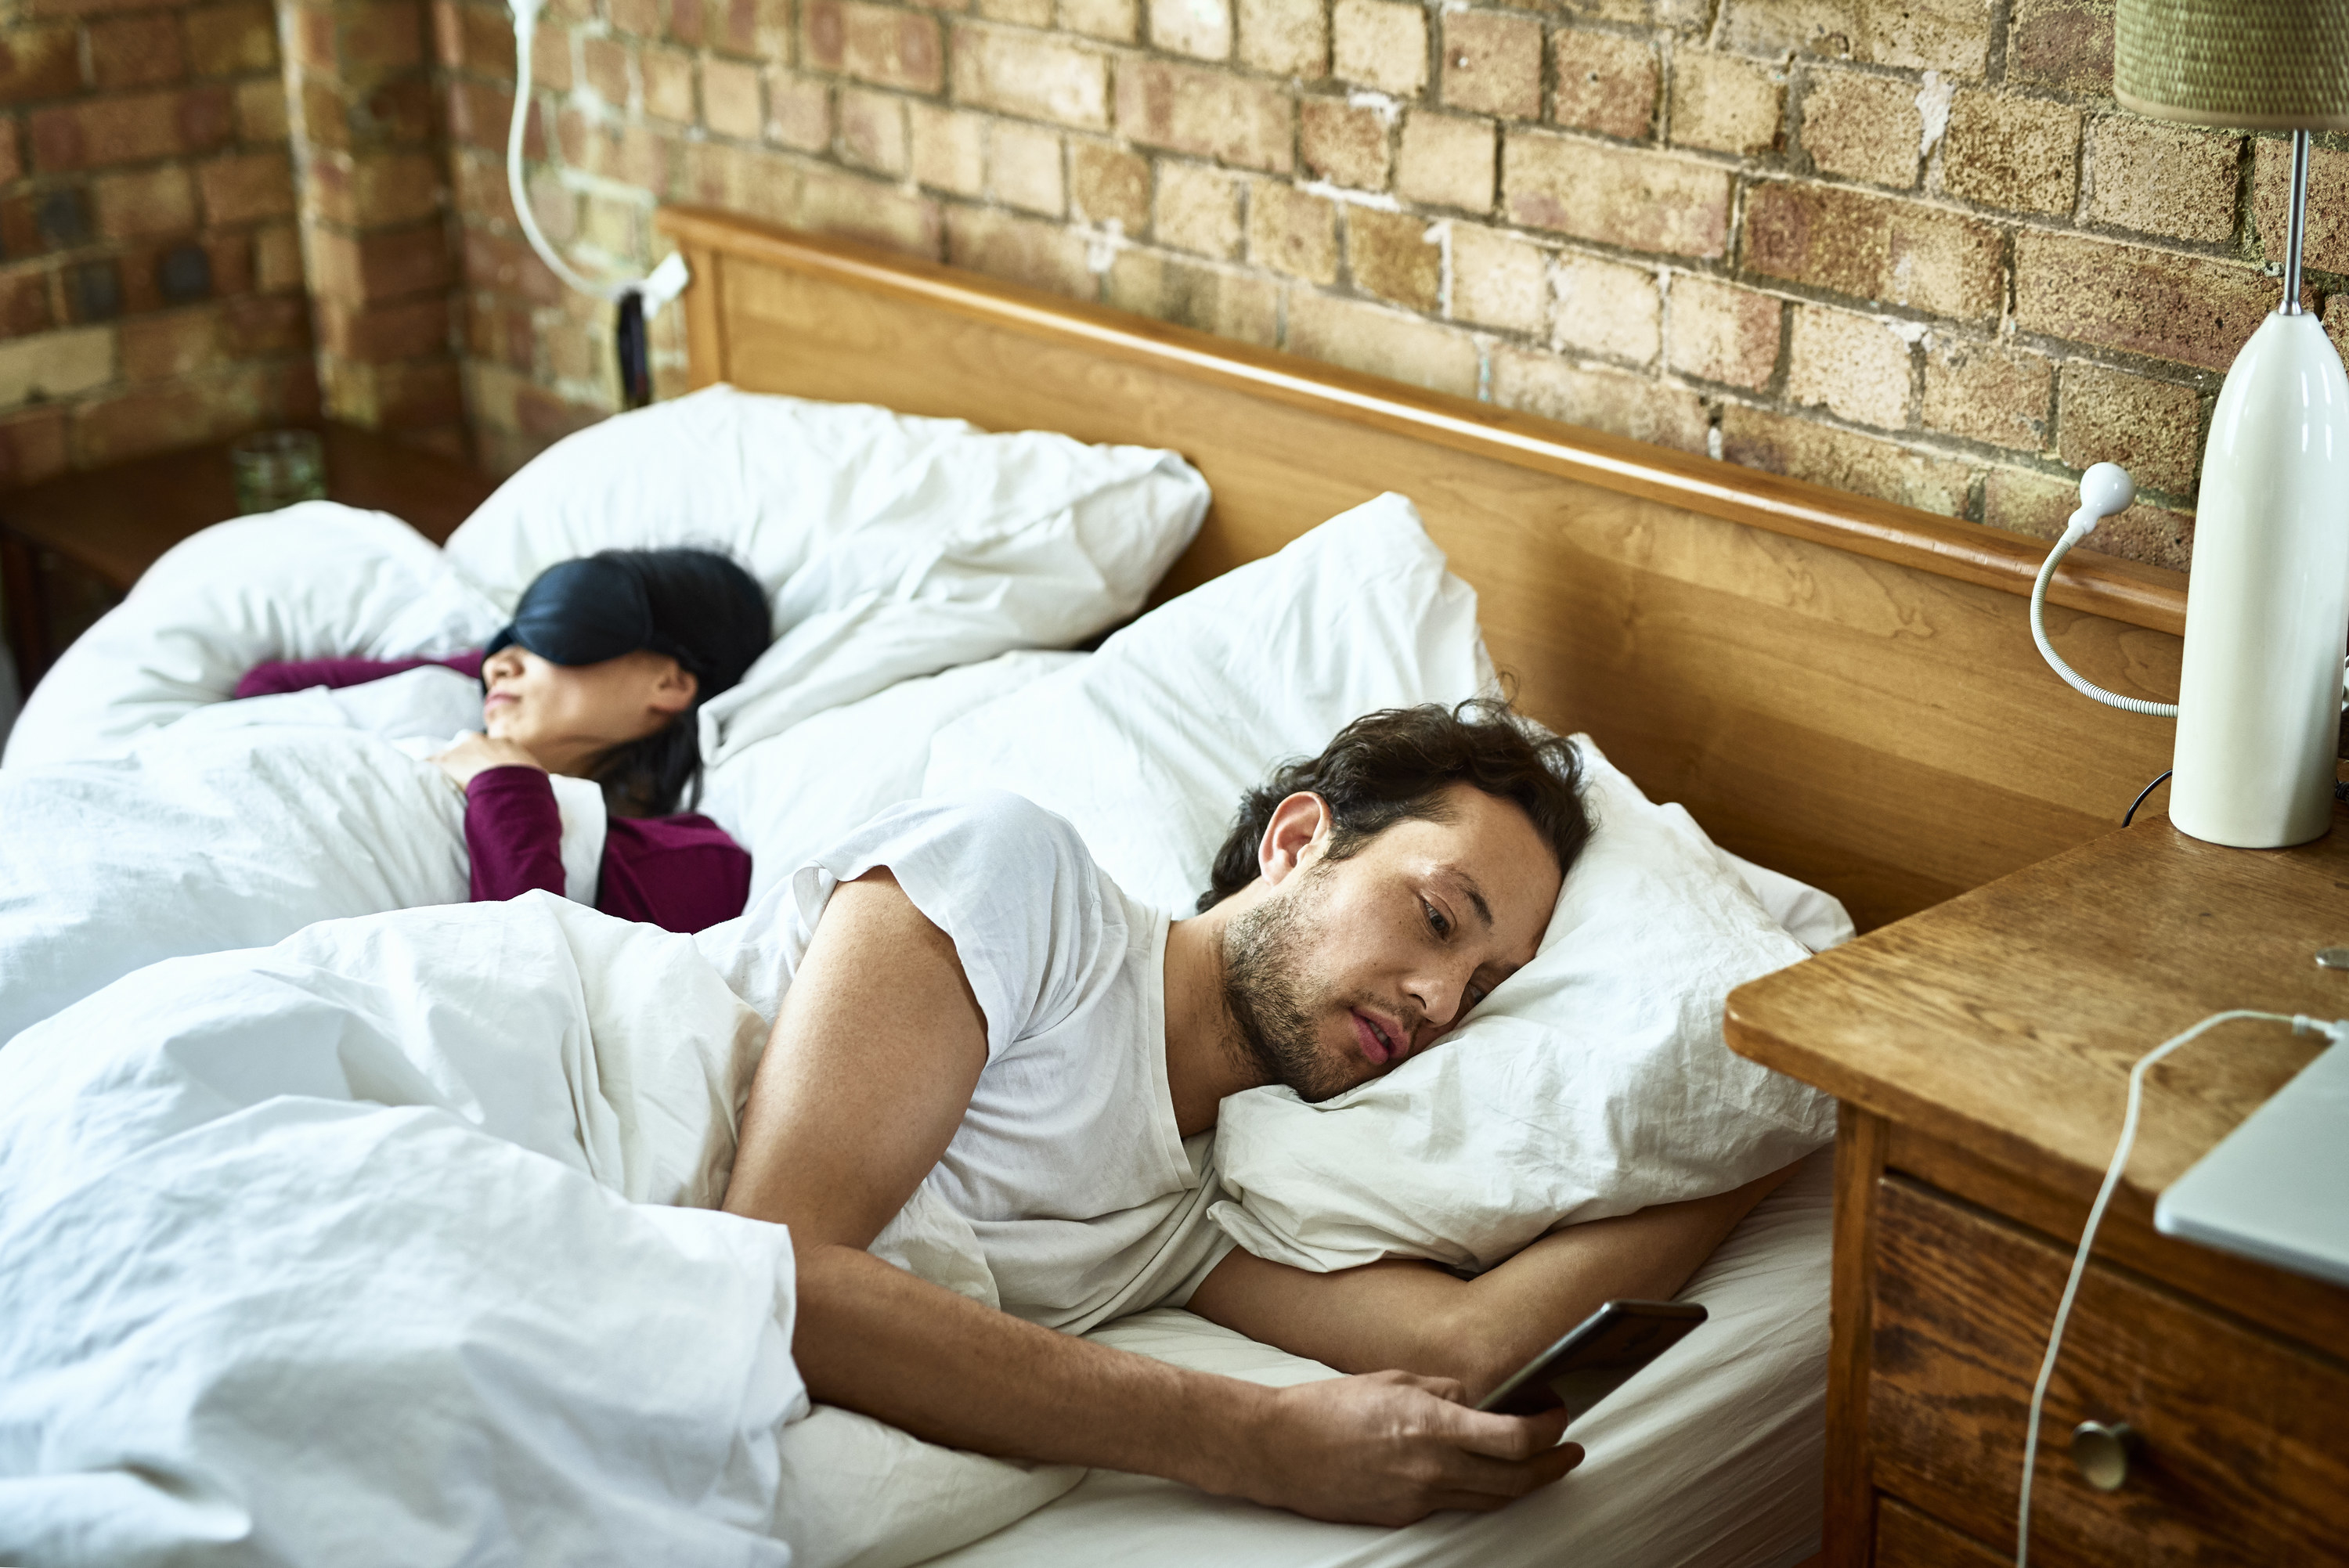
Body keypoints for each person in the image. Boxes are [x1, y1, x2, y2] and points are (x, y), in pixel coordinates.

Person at [719, 698, 1800, 1526]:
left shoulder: (1204, 1202)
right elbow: (776, 1274)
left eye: (1479, 989)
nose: (1437, 1000)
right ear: (1296, 840)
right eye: (1434, 917)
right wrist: (1258, 1437)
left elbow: (1470, 1349)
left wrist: (1789, 1110)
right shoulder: (1025, 887)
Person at [236, 547, 770, 934]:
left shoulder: (685, 861)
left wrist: (507, 787)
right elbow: (262, 694)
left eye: (554, 631)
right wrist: (488, 670)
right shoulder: (453, 701)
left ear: (670, 683)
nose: (498, 662)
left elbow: (512, 983)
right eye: (506, 640)